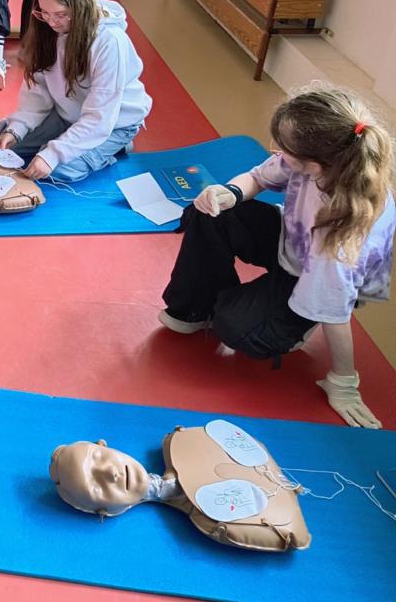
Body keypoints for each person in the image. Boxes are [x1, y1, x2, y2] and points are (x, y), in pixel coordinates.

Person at [160, 87, 394, 429]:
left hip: (318, 275)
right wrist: (229, 193)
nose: (276, 152)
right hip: (295, 237)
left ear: (314, 165)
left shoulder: (339, 236)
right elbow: (257, 177)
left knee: (235, 327)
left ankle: (294, 326)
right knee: (209, 212)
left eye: (284, 149)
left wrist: (344, 382)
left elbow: (335, 311)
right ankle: (197, 308)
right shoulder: (324, 158)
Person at [0, 0, 151, 182]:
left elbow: (100, 116)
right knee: (5, 144)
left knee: (59, 170)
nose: (51, 22)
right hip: (68, 112)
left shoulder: (109, 41)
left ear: (81, 6)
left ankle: (118, 145)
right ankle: (66, 139)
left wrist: (53, 154)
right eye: (44, 13)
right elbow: (38, 89)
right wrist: (17, 128)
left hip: (113, 122)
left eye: (60, 14)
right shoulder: (47, 29)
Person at [49, 427, 310, 551]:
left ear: (103, 444)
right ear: (104, 511)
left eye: (99, 458)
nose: (110, 473)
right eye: (97, 486)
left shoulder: (182, 441)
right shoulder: (213, 522)